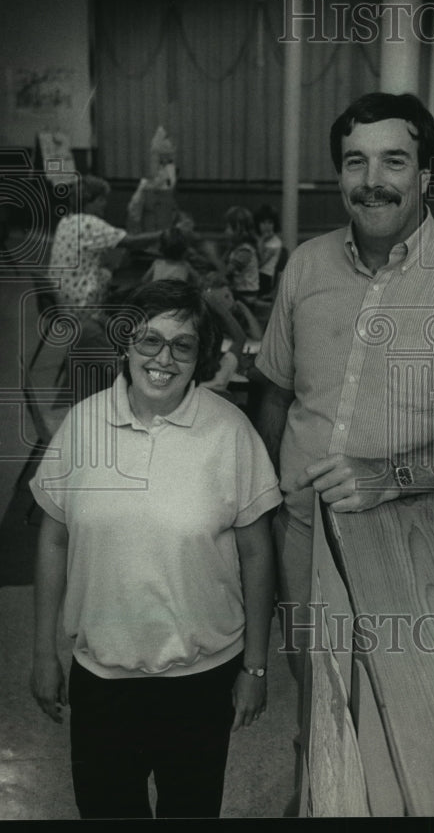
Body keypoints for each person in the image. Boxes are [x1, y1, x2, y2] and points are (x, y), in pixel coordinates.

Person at [254, 90, 434, 697]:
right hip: (302, 535)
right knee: (313, 685)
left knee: (406, 704)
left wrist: (388, 474)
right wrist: (264, 503)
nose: (371, 181)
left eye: (393, 160)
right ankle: (315, 783)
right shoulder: (306, 265)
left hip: (412, 537)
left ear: (426, 174)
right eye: (355, 161)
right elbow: (276, 391)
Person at [29, 279, 282, 820]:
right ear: (126, 344)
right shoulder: (82, 427)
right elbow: (52, 537)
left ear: (199, 357)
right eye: (149, 340)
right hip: (101, 680)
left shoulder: (230, 433)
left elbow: (258, 554)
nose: (163, 358)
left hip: (201, 681)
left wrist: (255, 669)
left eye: (182, 345)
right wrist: (42, 652)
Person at [47, 174, 166, 309]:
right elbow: (132, 242)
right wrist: (166, 233)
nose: (105, 204)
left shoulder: (65, 221)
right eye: (101, 199)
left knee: (106, 272)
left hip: (58, 299)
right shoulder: (92, 224)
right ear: (89, 201)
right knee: (130, 290)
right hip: (81, 302)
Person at [223, 205, 260, 305]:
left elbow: (226, 272)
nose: (225, 231)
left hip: (246, 297)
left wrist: (211, 255)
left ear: (239, 229)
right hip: (239, 293)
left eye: (228, 227)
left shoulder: (245, 250)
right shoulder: (236, 248)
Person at [253, 204, 284, 297]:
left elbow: (260, 263)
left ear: (275, 224)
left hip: (265, 277)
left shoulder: (275, 242)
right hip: (255, 275)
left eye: (270, 223)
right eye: (263, 223)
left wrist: (260, 242)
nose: (266, 226)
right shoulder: (259, 239)